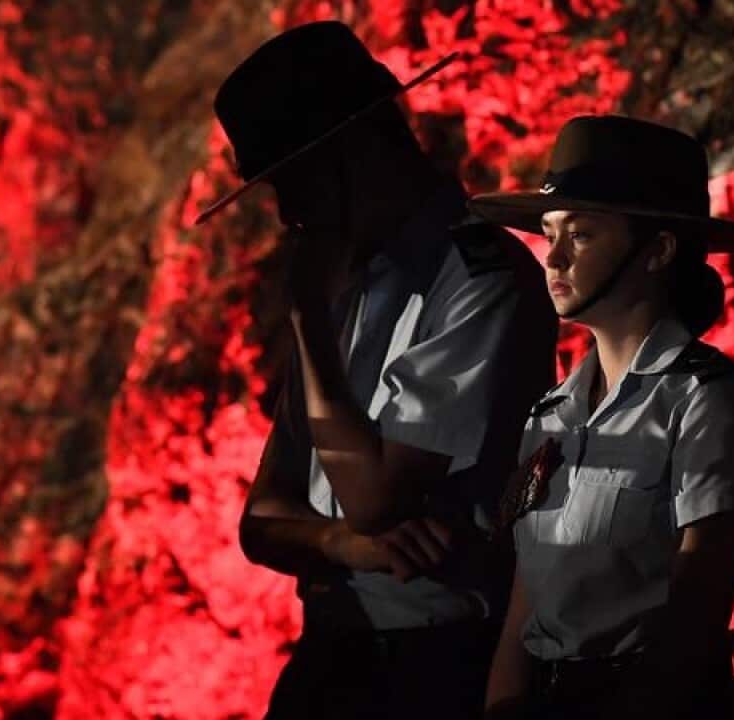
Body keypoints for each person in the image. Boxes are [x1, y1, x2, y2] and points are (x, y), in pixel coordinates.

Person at [196, 21, 556, 719]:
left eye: (290, 184)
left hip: (434, 665)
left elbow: (374, 498)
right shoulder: (352, 285)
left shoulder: (479, 282)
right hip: (333, 653)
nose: (288, 215)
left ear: (350, 153)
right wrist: (343, 546)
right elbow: (262, 522)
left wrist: (305, 320)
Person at [468, 115, 734, 719]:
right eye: (548, 233)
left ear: (658, 249)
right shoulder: (550, 416)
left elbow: (696, 613)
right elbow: (527, 605)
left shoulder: (703, 403)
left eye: (580, 235)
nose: (552, 257)